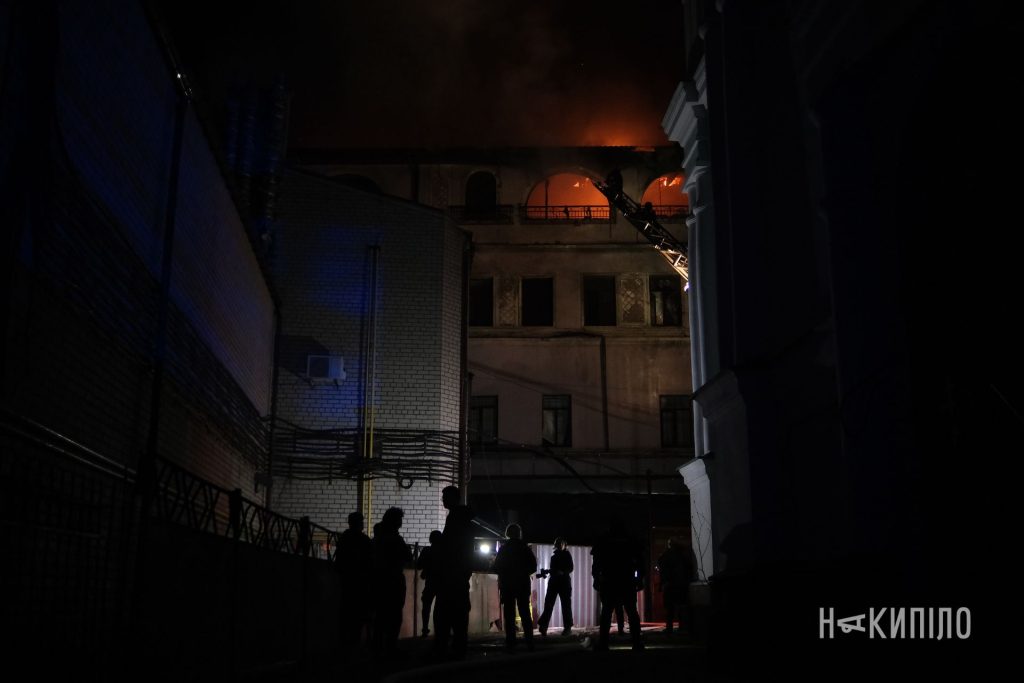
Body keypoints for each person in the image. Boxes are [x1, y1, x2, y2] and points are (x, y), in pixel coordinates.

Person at [432, 485, 475, 660]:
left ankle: (444, 649)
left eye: (445, 497)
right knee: (458, 615)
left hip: (452, 575)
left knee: (444, 615)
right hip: (458, 576)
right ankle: (457, 648)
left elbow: (452, 547)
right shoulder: (461, 518)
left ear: (453, 498)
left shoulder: (455, 518)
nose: (442, 500)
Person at [590, 516, 645, 651]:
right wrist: (639, 579)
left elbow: (596, 563)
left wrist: (596, 579)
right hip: (626, 580)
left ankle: (603, 644)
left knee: (607, 612)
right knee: (631, 611)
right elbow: (640, 562)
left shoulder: (604, 539)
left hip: (609, 580)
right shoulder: (630, 539)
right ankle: (637, 643)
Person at [371, 507, 412, 657]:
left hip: (379, 580)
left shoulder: (377, 539)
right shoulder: (394, 539)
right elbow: (408, 556)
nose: (401, 522)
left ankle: (378, 647)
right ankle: (390, 647)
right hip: (393, 580)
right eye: (399, 519)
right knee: (394, 616)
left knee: (380, 615)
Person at [493, 524, 537, 652]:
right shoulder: (525, 548)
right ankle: (529, 642)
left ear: (507, 534)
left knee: (509, 614)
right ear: (519, 533)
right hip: (522, 584)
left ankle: (511, 642)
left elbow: (496, 567)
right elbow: (533, 566)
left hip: (508, 585)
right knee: (525, 613)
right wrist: (523, 573)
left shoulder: (504, 549)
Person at [335, 511, 373, 651]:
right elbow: (370, 560)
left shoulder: (345, 538)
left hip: (348, 582)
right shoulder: (363, 540)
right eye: (361, 522)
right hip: (360, 583)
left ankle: (346, 646)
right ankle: (354, 645)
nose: (362, 524)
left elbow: (339, 561)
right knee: (358, 616)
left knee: (347, 615)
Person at [537, 537, 573, 636]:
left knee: (566, 605)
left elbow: (570, 568)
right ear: (556, 545)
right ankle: (543, 626)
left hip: (564, 582)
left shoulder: (567, 555)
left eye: (561, 543)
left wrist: (562, 572)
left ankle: (567, 628)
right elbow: (554, 570)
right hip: (554, 582)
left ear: (565, 545)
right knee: (549, 604)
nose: (560, 545)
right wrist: (552, 572)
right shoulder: (554, 557)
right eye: (558, 543)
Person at [656, 538, 693, 634]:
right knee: (681, 606)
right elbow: (689, 569)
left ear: (669, 545)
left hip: (670, 585)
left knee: (670, 609)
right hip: (681, 585)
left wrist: (662, 583)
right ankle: (682, 627)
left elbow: (662, 568)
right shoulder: (683, 555)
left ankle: (669, 629)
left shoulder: (666, 555)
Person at [417, 529, 442, 637]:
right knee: (440, 608)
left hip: (430, 582)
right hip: (442, 582)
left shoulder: (427, 550)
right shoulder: (445, 552)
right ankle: (440, 630)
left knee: (426, 606)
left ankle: (425, 629)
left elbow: (418, 565)